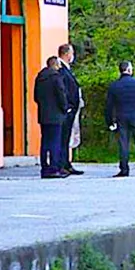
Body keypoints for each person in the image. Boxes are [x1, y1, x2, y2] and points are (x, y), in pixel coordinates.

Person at [105, 61, 135, 178]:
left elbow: (109, 106)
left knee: (123, 144)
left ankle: (124, 169)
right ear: (129, 70)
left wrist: (110, 121)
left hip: (121, 117)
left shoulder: (114, 86)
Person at [34, 56, 69, 179]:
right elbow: (61, 94)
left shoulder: (40, 77)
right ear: (55, 64)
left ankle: (45, 167)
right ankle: (54, 168)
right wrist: (65, 108)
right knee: (55, 141)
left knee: (45, 142)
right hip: (56, 114)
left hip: (43, 114)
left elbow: (36, 97)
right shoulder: (56, 78)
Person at [57, 44, 84, 175]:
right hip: (67, 110)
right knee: (63, 137)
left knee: (67, 137)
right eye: (71, 53)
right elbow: (64, 90)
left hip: (71, 109)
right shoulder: (61, 69)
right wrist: (68, 107)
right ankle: (62, 164)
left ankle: (66, 163)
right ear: (67, 54)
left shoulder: (66, 69)